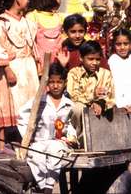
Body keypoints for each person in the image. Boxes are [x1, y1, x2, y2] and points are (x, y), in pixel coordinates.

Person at [0, 0, 39, 151]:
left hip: (28, 66)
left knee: (28, 103)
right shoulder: (1, 22)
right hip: (12, 65)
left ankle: (25, 142)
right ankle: (1, 145)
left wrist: (37, 63)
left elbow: (33, 45)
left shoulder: (27, 21)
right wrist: (7, 69)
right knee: (7, 102)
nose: (28, 0)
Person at [24, 63, 77, 194]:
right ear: (47, 83)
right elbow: (22, 117)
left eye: (59, 82)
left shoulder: (69, 104)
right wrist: (28, 135)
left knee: (54, 149)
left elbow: (71, 124)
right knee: (35, 153)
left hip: (60, 142)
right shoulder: (38, 101)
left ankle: (49, 186)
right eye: (52, 82)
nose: (55, 85)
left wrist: (71, 137)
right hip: (40, 141)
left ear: (65, 83)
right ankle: (42, 186)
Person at [67, 41, 115, 142]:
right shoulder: (74, 73)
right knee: (79, 108)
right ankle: (80, 140)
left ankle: (96, 141)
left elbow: (110, 97)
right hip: (79, 111)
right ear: (81, 58)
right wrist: (92, 98)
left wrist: (100, 103)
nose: (94, 62)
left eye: (97, 59)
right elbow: (74, 95)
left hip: (100, 109)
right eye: (90, 59)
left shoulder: (106, 74)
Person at [26, 0, 64, 75]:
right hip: (40, 61)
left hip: (57, 61)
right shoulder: (33, 16)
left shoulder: (59, 17)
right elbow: (29, 42)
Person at [108, 28, 131, 113]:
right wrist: (122, 104)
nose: (122, 47)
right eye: (118, 44)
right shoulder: (113, 60)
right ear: (114, 45)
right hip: (117, 105)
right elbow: (116, 85)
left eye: (125, 44)